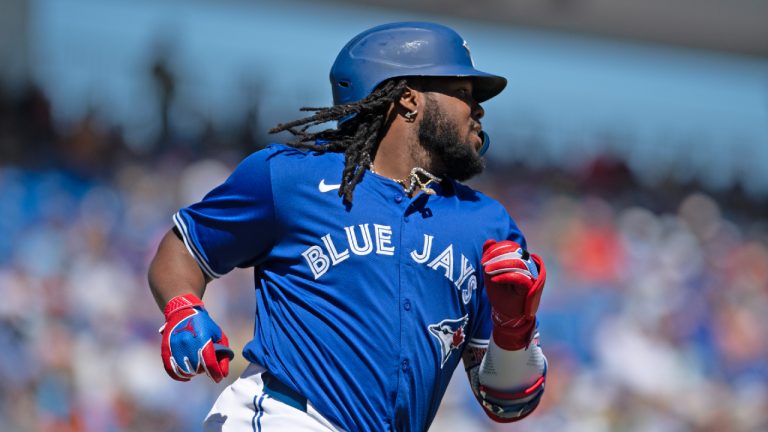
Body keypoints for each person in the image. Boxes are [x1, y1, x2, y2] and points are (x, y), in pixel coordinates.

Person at [148, 21, 548, 431]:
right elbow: (184, 249)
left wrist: (513, 330)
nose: (478, 108)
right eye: (463, 93)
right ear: (409, 99)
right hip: (284, 416)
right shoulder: (292, 179)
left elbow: (505, 404)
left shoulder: (487, 224)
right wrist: (182, 308)